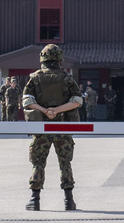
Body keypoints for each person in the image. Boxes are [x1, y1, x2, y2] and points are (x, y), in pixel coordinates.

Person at [22, 44, 82, 211]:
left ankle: (35, 200)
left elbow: (27, 101)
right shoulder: (66, 78)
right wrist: (57, 110)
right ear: (59, 59)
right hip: (62, 127)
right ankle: (68, 201)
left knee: (38, 163)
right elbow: (77, 100)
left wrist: (45, 111)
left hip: (42, 128)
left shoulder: (34, 78)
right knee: (65, 163)